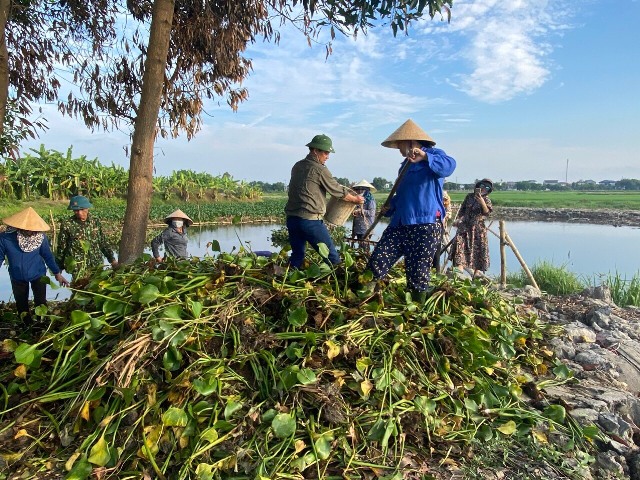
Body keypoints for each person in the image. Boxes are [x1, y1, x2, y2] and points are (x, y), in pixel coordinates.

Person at [366, 119, 456, 300]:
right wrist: (390, 208)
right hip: (399, 223)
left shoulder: (434, 155)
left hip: (426, 224)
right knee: (377, 262)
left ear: (410, 142)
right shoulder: (404, 166)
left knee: (418, 273)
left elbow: (450, 165)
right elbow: (403, 195)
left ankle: (416, 312)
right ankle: (364, 297)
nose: (399, 149)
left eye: (400, 144)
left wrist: (424, 156)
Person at [284, 134, 364, 268]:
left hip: (292, 219)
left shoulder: (297, 166)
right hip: (309, 221)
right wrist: (355, 199)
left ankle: (286, 281)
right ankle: (338, 283)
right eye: (326, 153)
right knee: (332, 257)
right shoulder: (320, 169)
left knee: (297, 256)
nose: (327, 156)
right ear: (315, 151)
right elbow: (336, 190)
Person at [0, 207, 69, 326]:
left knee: (41, 302)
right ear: (19, 226)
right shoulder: (6, 238)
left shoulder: (40, 238)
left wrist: (57, 274)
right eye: (27, 228)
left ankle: (42, 324)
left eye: (33, 228)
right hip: (17, 276)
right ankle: (27, 326)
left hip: (38, 274)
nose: (30, 231)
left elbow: (47, 256)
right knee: (21, 305)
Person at [56, 195, 117, 278]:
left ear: (87, 208)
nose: (80, 213)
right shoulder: (67, 224)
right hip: (79, 268)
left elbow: (103, 242)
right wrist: (58, 269)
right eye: (76, 210)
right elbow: (62, 247)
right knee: (80, 289)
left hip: (96, 265)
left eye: (82, 209)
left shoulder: (95, 221)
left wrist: (112, 260)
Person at [451, 178, 493, 278]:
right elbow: (462, 210)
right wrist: (459, 219)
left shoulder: (486, 199)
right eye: (482, 186)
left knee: (478, 251)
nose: (484, 189)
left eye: (487, 188)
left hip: (477, 229)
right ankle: (458, 273)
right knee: (459, 247)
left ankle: (476, 275)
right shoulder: (469, 196)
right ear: (478, 186)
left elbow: (487, 213)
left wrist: (482, 202)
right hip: (464, 227)